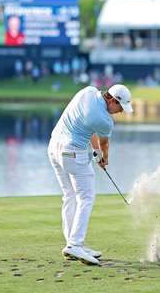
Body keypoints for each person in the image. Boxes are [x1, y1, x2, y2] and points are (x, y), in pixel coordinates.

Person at [48, 84, 133, 265]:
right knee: (86, 198)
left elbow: (89, 126)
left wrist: (95, 151)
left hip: (54, 148)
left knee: (70, 195)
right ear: (112, 100)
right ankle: (75, 244)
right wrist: (104, 158)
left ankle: (73, 243)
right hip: (72, 153)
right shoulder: (105, 120)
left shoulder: (88, 91)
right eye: (120, 107)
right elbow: (104, 144)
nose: (120, 112)